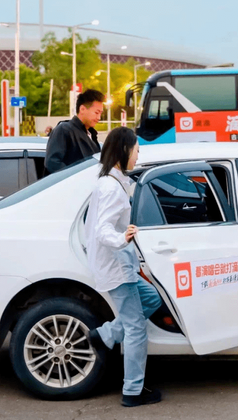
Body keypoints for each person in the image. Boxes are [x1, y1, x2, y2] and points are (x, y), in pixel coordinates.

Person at [84, 127, 163, 408]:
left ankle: (106, 334)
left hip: (120, 264)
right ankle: (133, 391)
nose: (138, 155)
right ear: (124, 150)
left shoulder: (112, 181)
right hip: (116, 266)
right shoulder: (110, 187)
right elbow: (103, 229)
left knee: (152, 299)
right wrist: (123, 238)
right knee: (135, 328)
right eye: (136, 150)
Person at [44, 89, 105, 175]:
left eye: (100, 113)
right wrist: (76, 178)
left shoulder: (91, 134)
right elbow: (53, 163)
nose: (99, 117)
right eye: (96, 112)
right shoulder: (64, 130)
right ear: (82, 109)